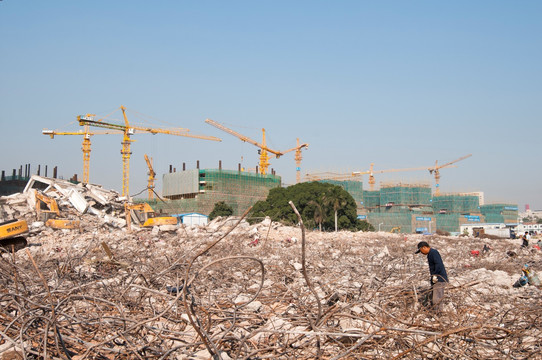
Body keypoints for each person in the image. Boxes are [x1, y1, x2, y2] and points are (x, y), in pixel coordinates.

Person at [415, 241, 448, 312]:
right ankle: (434, 312)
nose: (421, 253)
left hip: (439, 278)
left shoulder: (434, 252)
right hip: (435, 278)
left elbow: (438, 264)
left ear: (424, 247)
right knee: (433, 297)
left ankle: (438, 314)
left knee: (437, 298)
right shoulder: (430, 254)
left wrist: (435, 275)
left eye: (421, 251)